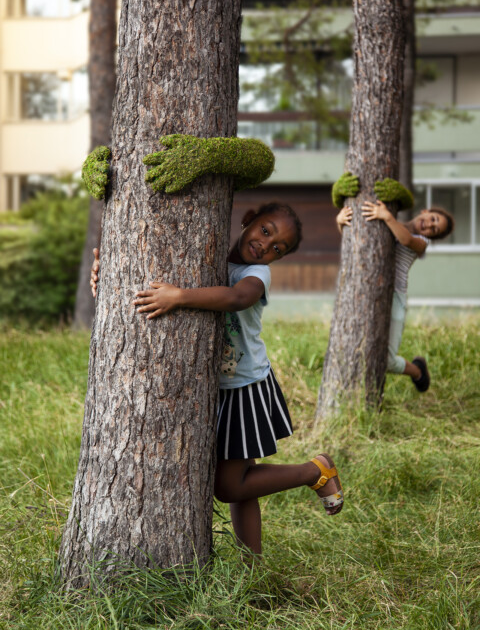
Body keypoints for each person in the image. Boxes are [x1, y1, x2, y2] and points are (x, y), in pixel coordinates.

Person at [91, 202, 343, 557]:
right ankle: (251, 567)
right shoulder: (208, 252)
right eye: (265, 231)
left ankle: (313, 471)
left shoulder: (256, 274)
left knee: (229, 487)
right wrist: (106, 273)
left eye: (277, 249)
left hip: (244, 388)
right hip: (221, 389)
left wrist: (178, 297)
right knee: (244, 485)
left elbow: (238, 297)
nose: (265, 246)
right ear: (248, 218)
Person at [336, 201, 455, 391]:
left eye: (434, 229)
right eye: (433, 219)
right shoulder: (386, 221)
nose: (430, 225)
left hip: (395, 299)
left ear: (431, 237)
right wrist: (340, 222)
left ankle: (418, 372)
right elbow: (357, 244)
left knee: (388, 360)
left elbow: (406, 240)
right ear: (425, 211)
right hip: (369, 292)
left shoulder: (421, 242)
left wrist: (386, 216)